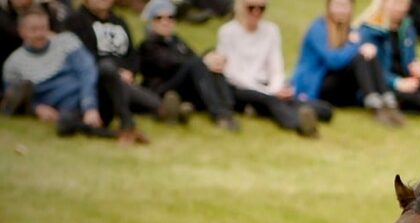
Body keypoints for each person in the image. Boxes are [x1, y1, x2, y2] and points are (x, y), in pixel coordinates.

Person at [216, 0, 330, 137]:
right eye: (251, 8)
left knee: (322, 109)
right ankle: (299, 125)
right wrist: (269, 92)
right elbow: (233, 74)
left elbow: (276, 67)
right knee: (272, 101)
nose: (256, 12)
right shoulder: (227, 32)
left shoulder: (271, 31)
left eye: (261, 8)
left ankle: (257, 109)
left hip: (267, 85)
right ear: (240, 7)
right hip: (240, 87)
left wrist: (276, 88)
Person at [1, 6, 115, 137]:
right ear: (21, 31)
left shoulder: (66, 41)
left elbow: (87, 71)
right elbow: (11, 101)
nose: (39, 34)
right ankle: (110, 133)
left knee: (109, 71)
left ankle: (127, 121)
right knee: (65, 125)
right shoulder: (13, 64)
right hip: (66, 108)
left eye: (43, 28)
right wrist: (36, 109)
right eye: (33, 30)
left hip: (91, 95)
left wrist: (89, 106)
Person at [291, 0, 404, 126]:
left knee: (367, 54)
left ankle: (387, 101)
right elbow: (334, 61)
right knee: (360, 56)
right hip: (315, 86)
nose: (341, 10)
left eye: (345, 6)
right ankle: (376, 106)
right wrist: (354, 45)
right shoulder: (318, 28)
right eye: (338, 5)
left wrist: (366, 48)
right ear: (329, 7)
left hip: (338, 86)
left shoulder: (349, 29)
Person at [66, 0, 159, 143]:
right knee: (107, 68)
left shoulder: (119, 21)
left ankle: (166, 111)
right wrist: (116, 71)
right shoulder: (75, 21)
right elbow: (82, 58)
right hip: (96, 83)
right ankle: (127, 124)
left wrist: (130, 72)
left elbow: (132, 54)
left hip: (122, 81)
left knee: (154, 103)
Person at [138, 0, 240, 130]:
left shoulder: (176, 41)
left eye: (170, 17)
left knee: (212, 65)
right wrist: (203, 60)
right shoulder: (148, 45)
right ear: (151, 22)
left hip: (182, 85)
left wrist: (210, 56)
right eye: (159, 18)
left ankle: (229, 107)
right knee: (199, 63)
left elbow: (194, 57)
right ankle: (220, 115)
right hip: (160, 90)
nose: (165, 21)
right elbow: (170, 63)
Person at [358, 0, 420, 122]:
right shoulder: (370, 31)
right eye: (396, 3)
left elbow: (411, 59)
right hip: (384, 86)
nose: (400, 8)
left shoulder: (407, 26)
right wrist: (398, 82)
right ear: (384, 3)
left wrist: (417, 69)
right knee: (418, 98)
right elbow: (372, 70)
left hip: (406, 80)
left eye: (404, 3)